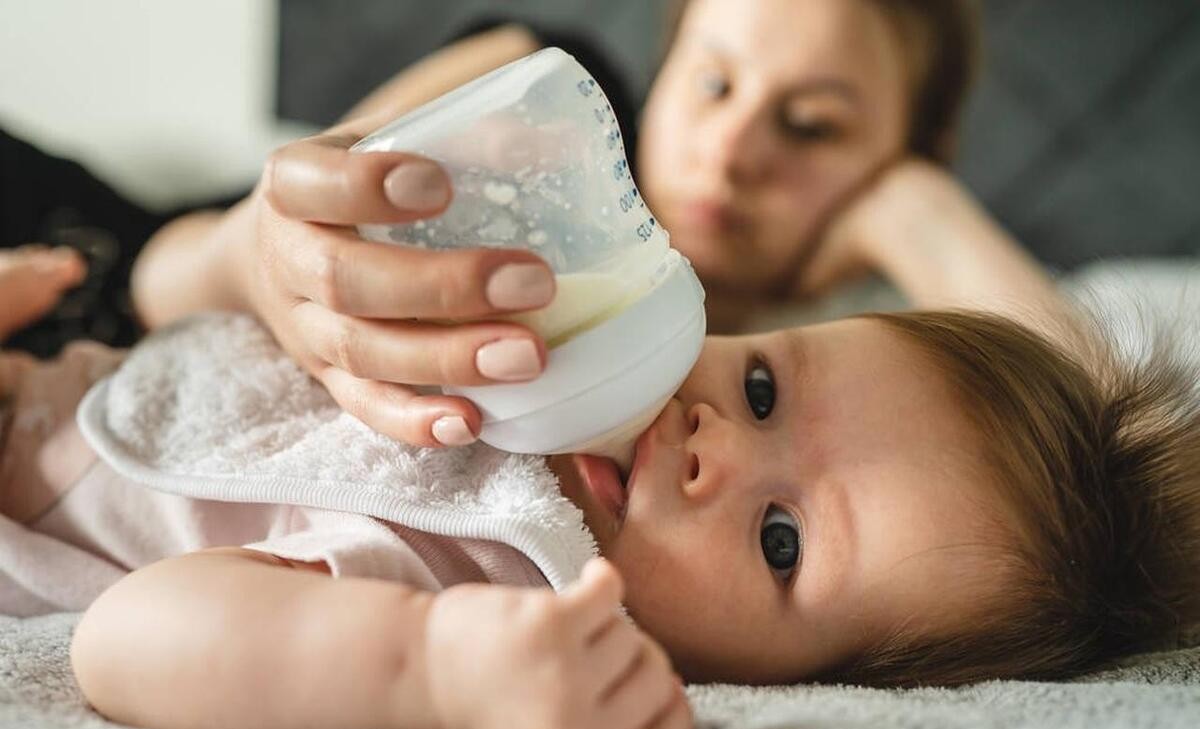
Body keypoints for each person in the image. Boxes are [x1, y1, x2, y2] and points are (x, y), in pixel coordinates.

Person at [4, 206, 1197, 729]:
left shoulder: (500, 563)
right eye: (768, 386)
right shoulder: (567, 354)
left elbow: (128, 641)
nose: (708, 444)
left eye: (780, 542)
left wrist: (433, 667)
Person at [128, 0, 1012, 452]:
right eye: (711, 84)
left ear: (910, 152)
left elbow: (1102, 471)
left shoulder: (890, 339)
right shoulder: (539, 99)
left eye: (811, 124)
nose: (730, 151)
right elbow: (184, 261)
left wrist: (920, 215)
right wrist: (251, 256)